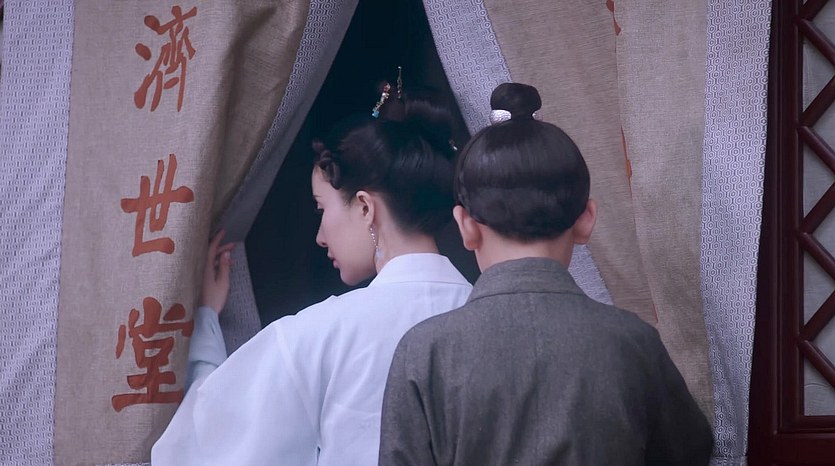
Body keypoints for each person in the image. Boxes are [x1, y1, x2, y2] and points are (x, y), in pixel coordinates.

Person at [378, 82, 713, 465]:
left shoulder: (425, 352)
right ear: (586, 220)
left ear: (466, 227)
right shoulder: (633, 343)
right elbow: (690, 453)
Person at [152, 84, 472, 465]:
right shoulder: (494, 317)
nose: (320, 237)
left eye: (322, 208)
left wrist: (205, 322)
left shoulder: (320, 334)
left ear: (365, 207)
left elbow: (205, 443)